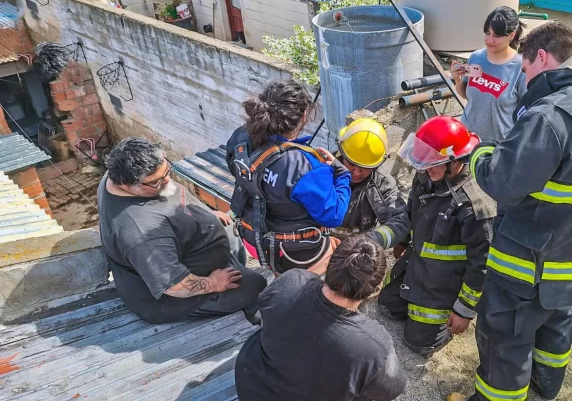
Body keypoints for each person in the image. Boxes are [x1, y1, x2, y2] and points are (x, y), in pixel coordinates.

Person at [448, 22, 572, 401]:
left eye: (526, 67)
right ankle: (543, 391)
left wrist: (481, 149)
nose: (524, 76)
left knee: (506, 337)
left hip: (530, 262)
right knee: (555, 326)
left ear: (543, 57)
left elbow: (502, 182)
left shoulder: (550, 116)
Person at [98, 137, 267, 325]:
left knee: (232, 230)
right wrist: (213, 283)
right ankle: (255, 321)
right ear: (126, 184)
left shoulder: (117, 172)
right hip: (177, 296)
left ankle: (232, 266)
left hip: (190, 248)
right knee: (255, 285)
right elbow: (174, 285)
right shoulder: (141, 233)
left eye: (166, 170)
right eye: (156, 182)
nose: (167, 180)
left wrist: (206, 214)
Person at [378, 116, 496, 358]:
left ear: (455, 162)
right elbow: (412, 213)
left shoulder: (475, 204)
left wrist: (464, 311)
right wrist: (402, 242)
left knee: (419, 343)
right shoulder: (427, 176)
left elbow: (482, 264)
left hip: (447, 281)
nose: (424, 168)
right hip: (419, 265)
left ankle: (446, 321)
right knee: (387, 307)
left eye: (432, 163)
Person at [235, 235, 407, 401]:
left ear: (330, 264)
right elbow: (392, 388)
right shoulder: (373, 345)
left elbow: (273, 297)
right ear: (374, 288)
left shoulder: (290, 281)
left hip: (251, 386)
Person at [225, 80, 351, 275]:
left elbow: (236, 168)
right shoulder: (305, 166)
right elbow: (333, 215)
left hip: (252, 238)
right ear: (304, 115)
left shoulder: (241, 137)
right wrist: (341, 174)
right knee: (334, 253)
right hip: (295, 253)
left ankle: (277, 275)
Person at [450, 6, 527, 142]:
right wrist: (457, 80)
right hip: (468, 141)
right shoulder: (476, 58)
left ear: (511, 35)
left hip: (499, 148)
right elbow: (467, 96)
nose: (489, 40)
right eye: (487, 33)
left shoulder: (521, 68)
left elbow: (526, 113)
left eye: (496, 35)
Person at [332, 118, 409, 250]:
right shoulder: (321, 171)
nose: (356, 172)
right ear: (342, 153)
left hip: (359, 254)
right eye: (351, 163)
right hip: (320, 251)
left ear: (378, 164)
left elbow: (399, 221)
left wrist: (371, 241)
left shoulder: (381, 183)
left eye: (364, 167)